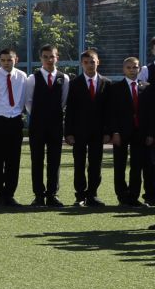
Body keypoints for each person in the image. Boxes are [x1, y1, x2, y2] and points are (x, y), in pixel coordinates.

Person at [0, 47, 27, 207]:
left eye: (9, 60)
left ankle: (10, 193)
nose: (6, 63)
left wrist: (16, 112)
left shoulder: (22, 76)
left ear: (16, 60)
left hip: (14, 120)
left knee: (13, 159)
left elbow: (23, 98)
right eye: (3, 60)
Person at [65, 49, 108, 208]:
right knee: (79, 163)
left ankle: (93, 194)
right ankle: (80, 195)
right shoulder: (74, 83)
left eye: (92, 61)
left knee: (96, 164)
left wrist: (108, 132)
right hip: (79, 132)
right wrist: (68, 132)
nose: (90, 65)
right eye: (86, 62)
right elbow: (70, 110)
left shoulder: (106, 83)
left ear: (98, 62)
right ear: (82, 64)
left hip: (98, 132)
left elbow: (108, 111)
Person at [25, 46, 65, 207]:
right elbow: (28, 101)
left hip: (56, 125)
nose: (49, 60)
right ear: (40, 58)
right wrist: (39, 115)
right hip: (37, 125)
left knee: (54, 161)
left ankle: (52, 194)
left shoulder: (64, 78)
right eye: (45, 57)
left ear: (57, 58)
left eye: (52, 57)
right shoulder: (33, 78)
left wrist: (53, 114)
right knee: (37, 160)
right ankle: (38, 195)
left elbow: (64, 100)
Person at [106, 56, 146, 208]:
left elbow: (149, 113)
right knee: (120, 165)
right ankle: (122, 196)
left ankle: (134, 196)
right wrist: (114, 132)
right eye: (129, 67)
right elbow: (112, 112)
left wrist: (149, 133)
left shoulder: (146, 87)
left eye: (135, 67)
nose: (132, 70)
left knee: (137, 166)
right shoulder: (115, 88)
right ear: (123, 69)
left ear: (139, 69)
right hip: (121, 133)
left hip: (140, 132)